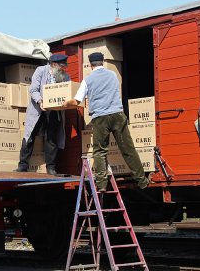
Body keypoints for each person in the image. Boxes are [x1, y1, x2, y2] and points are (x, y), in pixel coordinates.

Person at [62, 52, 150, 191]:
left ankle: (101, 185)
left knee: (100, 152)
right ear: (102, 62)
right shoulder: (113, 75)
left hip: (100, 118)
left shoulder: (87, 80)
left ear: (91, 65)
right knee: (128, 149)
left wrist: (65, 104)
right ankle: (142, 181)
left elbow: (76, 101)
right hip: (117, 115)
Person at [15, 54, 70, 175]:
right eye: (61, 66)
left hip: (55, 111)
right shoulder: (40, 71)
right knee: (30, 135)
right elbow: (33, 89)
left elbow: (67, 92)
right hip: (38, 109)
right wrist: (40, 101)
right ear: (54, 65)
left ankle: (51, 167)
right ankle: (23, 165)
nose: (63, 69)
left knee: (51, 138)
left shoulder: (65, 76)